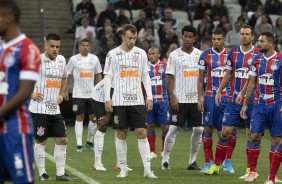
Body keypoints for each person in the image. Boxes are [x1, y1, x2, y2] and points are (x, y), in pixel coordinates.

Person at [103, 24, 158, 179]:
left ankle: (147, 170)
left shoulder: (141, 54)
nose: (132, 41)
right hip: (119, 100)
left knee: (142, 132)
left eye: (134, 38)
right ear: (123, 37)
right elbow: (108, 77)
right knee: (121, 133)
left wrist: (149, 96)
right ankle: (123, 169)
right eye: (129, 38)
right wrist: (107, 98)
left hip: (137, 100)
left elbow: (145, 76)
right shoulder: (112, 54)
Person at [205, 25, 260, 176]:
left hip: (252, 101)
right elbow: (228, 74)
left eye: (247, 34)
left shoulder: (257, 54)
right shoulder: (233, 53)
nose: (244, 36)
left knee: (251, 134)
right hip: (233, 100)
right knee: (224, 132)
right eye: (242, 34)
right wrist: (219, 90)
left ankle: (250, 169)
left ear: (252, 37)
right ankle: (216, 165)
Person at [0, 0, 41, 183]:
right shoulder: (1, 50)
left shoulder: (28, 49)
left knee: (22, 180)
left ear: (8, 18)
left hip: (16, 128)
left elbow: (24, 92)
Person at [29, 33, 77, 181]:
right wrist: (31, 93)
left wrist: (62, 93)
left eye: (57, 46)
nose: (55, 49)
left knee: (63, 140)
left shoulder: (62, 60)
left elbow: (65, 76)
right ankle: (43, 173)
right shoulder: (37, 60)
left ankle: (61, 174)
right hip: (39, 108)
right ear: (45, 46)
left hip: (54, 109)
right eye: (52, 46)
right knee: (41, 141)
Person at [240, 32, 282, 183]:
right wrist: (245, 104)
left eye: (262, 41)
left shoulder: (280, 59)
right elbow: (251, 83)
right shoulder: (256, 59)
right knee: (254, 136)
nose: (259, 44)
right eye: (259, 41)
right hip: (259, 104)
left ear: (271, 43)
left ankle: (272, 175)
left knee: (276, 139)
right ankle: (252, 172)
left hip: (277, 105)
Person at [161, 25, 204, 171]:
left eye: (190, 36)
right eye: (185, 36)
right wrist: (172, 97)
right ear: (182, 37)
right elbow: (169, 78)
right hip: (179, 99)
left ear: (195, 38)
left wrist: (201, 97)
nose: (187, 39)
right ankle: (165, 160)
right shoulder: (174, 55)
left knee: (198, 130)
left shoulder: (200, 55)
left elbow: (203, 77)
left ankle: (192, 161)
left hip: (195, 100)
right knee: (173, 129)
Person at [197, 28, 230, 173]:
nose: (216, 42)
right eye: (214, 39)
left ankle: (220, 163)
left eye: (218, 39)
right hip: (210, 97)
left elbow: (233, 76)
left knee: (223, 132)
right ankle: (207, 162)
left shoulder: (230, 54)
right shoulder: (205, 54)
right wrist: (200, 97)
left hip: (226, 97)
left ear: (224, 39)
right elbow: (200, 78)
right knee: (208, 129)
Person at [67, 38, 102, 152]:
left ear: (89, 47)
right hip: (78, 94)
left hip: (92, 94)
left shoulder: (94, 59)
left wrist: (101, 89)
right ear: (79, 46)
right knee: (79, 117)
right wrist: (64, 90)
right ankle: (79, 145)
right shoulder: (73, 59)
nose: (85, 47)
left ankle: (89, 141)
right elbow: (67, 75)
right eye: (83, 45)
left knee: (94, 119)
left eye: (87, 45)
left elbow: (98, 74)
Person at [146, 47, 169, 159]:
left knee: (165, 126)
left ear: (158, 54)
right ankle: (152, 151)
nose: (151, 56)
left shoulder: (165, 65)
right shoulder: (145, 66)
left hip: (163, 100)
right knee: (150, 125)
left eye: (153, 53)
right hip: (149, 100)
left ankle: (164, 150)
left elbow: (170, 81)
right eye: (149, 54)